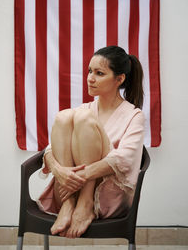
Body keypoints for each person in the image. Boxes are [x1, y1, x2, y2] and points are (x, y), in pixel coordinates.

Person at [37, 45, 145, 239]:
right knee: (63, 117)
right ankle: (69, 203)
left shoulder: (133, 115)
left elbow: (125, 158)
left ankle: (86, 204)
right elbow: (50, 149)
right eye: (89, 71)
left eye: (99, 73)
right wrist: (60, 171)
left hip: (105, 196)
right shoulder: (83, 111)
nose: (90, 78)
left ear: (119, 79)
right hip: (68, 191)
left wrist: (78, 176)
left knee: (81, 118)